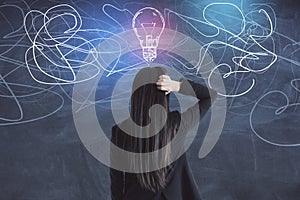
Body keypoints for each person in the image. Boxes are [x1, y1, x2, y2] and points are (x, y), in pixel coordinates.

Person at [110, 66, 217, 200]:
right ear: (164, 94)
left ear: (135, 94)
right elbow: (210, 95)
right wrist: (178, 86)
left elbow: (117, 183)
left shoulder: (119, 132)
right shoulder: (177, 124)